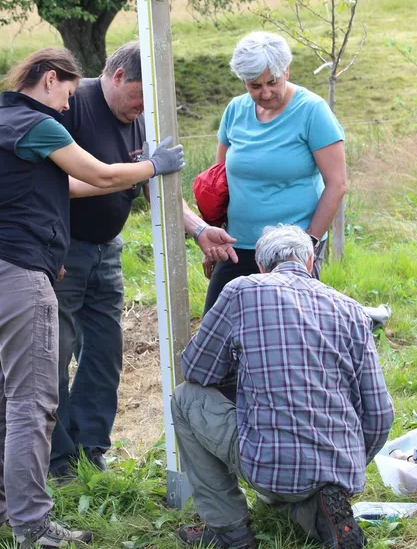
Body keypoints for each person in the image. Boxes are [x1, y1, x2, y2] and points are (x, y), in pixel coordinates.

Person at [0, 47, 184, 549]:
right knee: (32, 405)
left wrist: (50, 246)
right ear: (48, 79)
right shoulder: (35, 123)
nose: (68, 104)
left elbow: (30, 198)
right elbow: (102, 176)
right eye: (66, 91)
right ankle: (34, 526)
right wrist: (154, 166)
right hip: (19, 277)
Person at [49, 41, 238, 480]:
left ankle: (90, 447)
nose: (141, 108)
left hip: (106, 251)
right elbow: (62, 181)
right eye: (137, 96)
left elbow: (155, 186)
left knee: (104, 350)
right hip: (63, 252)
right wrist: (142, 170)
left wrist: (198, 229)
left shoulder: (140, 118)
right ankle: (57, 458)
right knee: (54, 353)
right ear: (117, 77)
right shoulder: (73, 104)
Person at [172, 224, 394, 549]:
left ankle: (230, 532)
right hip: (340, 467)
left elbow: (196, 370)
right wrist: (354, 461)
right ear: (310, 262)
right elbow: (380, 414)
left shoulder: (242, 290)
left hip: (269, 465)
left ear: (261, 266)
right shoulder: (352, 311)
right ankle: (324, 507)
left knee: (185, 398)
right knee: (301, 486)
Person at [204, 31, 347, 313]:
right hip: (237, 244)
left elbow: (337, 184)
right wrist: (213, 235)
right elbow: (219, 180)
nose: (265, 93)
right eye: (254, 85)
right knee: (217, 326)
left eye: (272, 82)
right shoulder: (235, 110)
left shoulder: (312, 111)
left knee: (289, 333)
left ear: (286, 71)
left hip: (290, 251)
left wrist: (309, 243)